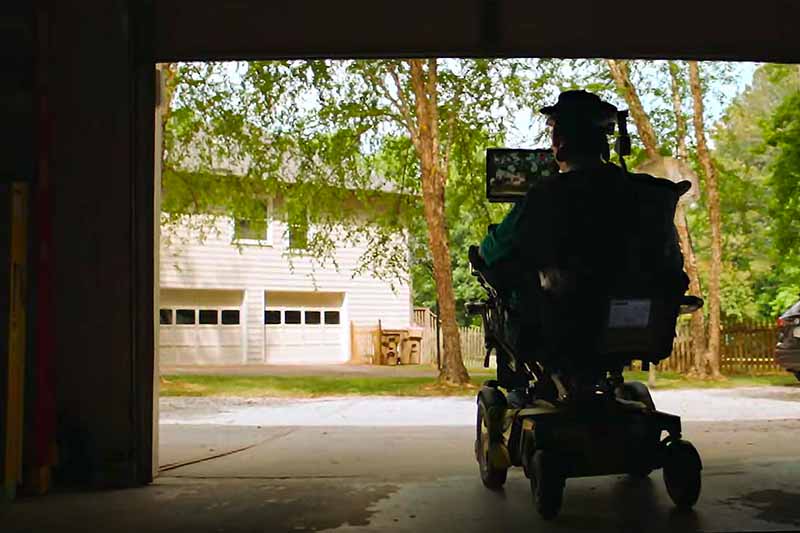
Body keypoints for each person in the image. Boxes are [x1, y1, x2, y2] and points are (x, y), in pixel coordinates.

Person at [477, 90, 688, 405]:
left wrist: (484, 253)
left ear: (560, 143)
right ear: (603, 142)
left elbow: (494, 252)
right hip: (633, 327)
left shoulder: (544, 197)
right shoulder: (648, 196)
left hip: (559, 329)